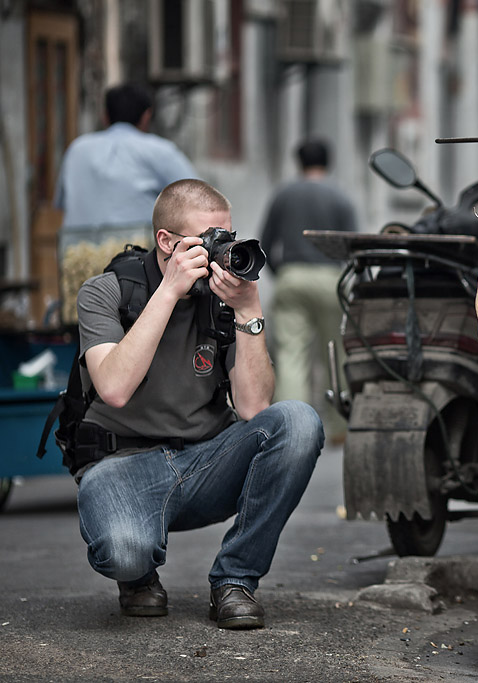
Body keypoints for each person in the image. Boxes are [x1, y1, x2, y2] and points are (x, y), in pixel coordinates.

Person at [74, 178, 323, 630]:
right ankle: (138, 575)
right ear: (166, 242)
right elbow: (113, 388)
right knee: (125, 553)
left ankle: (235, 579)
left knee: (298, 420)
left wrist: (249, 314)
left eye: (225, 237)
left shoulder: (222, 301)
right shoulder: (104, 292)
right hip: (121, 464)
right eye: (207, 241)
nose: (219, 251)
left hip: (206, 461)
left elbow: (253, 406)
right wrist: (168, 292)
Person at [260, 138, 357, 444]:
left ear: (298, 162)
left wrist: (282, 273)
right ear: (328, 162)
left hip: (292, 277)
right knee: (337, 353)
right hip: (332, 280)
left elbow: (264, 243)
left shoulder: (283, 195)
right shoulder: (340, 196)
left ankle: (291, 426)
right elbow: (353, 246)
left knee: (291, 354)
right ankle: (340, 427)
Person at [55, 83, 196, 228]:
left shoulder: (77, 149)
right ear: (146, 116)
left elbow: (61, 204)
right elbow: (197, 199)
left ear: (105, 116)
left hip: (76, 248)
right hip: (136, 247)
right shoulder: (160, 151)